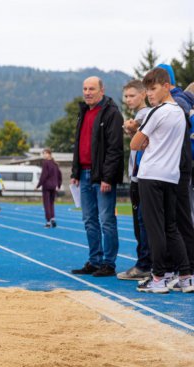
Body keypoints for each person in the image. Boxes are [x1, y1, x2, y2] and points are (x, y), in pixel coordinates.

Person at [131, 68, 192, 293]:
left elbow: (135, 144)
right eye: (147, 90)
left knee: (155, 228)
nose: (149, 94)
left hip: (151, 175)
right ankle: (185, 276)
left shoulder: (157, 112)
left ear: (166, 86)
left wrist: (142, 138)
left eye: (153, 88)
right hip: (171, 176)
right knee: (171, 227)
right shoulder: (180, 112)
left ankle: (158, 278)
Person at [70, 76, 124, 278]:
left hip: (101, 176)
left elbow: (114, 149)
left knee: (106, 220)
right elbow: (78, 144)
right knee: (89, 220)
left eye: (91, 88)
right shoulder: (83, 112)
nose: (87, 92)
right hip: (83, 174)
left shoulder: (111, 113)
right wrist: (75, 172)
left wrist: (107, 177)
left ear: (102, 90)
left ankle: (109, 263)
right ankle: (94, 261)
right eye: (84, 88)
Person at [117, 80, 152, 280]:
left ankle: (144, 264)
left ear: (143, 95)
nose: (128, 100)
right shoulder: (139, 116)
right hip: (137, 175)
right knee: (141, 223)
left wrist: (132, 130)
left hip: (142, 177)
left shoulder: (145, 115)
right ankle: (146, 262)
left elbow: (142, 143)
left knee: (142, 223)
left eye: (132, 96)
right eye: (126, 96)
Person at [36, 149, 62, 228]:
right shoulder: (55, 164)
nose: (43, 155)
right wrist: (58, 185)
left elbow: (44, 175)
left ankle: (48, 222)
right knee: (51, 204)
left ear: (49, 154)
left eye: (44, 153)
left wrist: (38, 185)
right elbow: (59, 176)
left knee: (46, 204)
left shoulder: (46, 163)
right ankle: (53, 218)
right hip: (53, 186)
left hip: (47, 186)